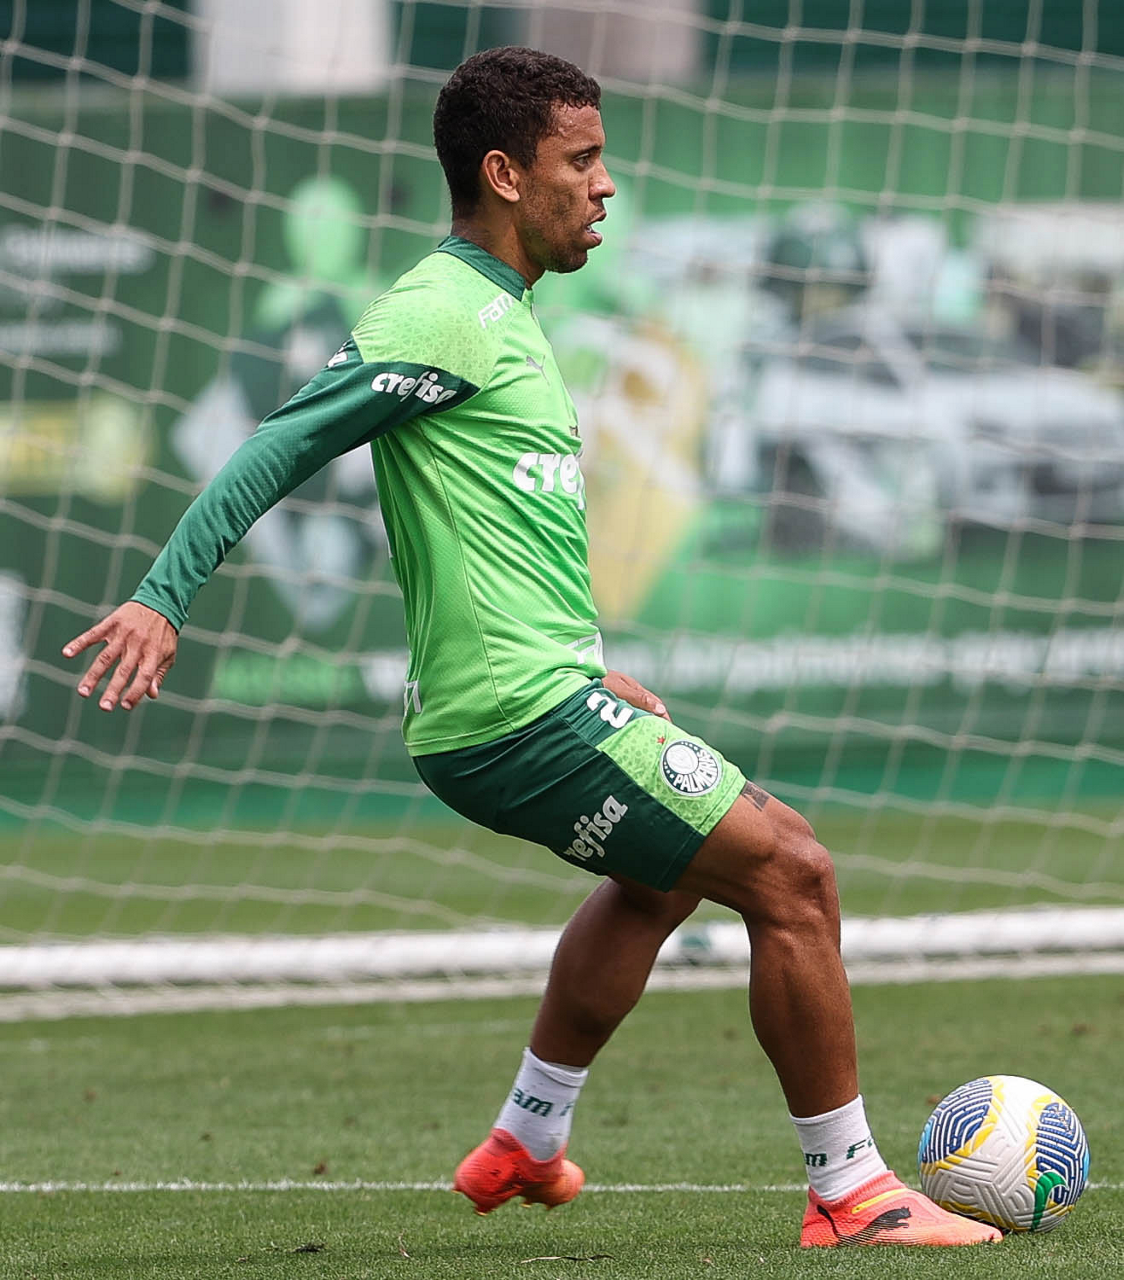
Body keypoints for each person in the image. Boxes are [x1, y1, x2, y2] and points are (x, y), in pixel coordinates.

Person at [63, 46, 1000, 1249]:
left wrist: (579, 664)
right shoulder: (440, 311)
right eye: (581, 159)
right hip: (511, 717)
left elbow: (492, 536)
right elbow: (276, 442)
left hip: (532, 694)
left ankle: (526, 1135)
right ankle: (852, 1190)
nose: (604, 185)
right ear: (505, 174)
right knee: (794, 873)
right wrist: (162, 596)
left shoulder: (498, 314)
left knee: (663, 880)